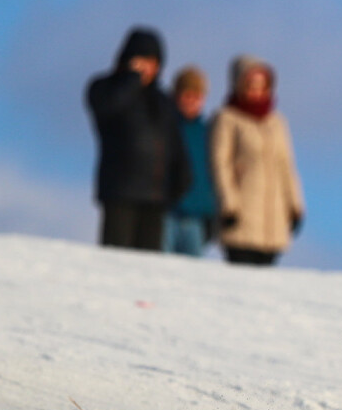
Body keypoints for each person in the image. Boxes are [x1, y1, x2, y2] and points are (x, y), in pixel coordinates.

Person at [84, 26, 190, 250]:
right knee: (116, 260)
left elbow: (175, 144)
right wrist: (131, 79)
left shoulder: (162, 101)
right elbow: (107, 109)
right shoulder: (104, 87)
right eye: (141, 59)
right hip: (120, 192)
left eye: (152, 62)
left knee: (148, 268)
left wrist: (181, 179)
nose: (147, 68)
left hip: (156, 197)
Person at [211, 55, 305, 266]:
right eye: (251, 85)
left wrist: (295, 206)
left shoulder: (276, 123)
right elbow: (220, 164)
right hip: (241, 216)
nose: (257, 91)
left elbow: (286, 166)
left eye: (262, 86)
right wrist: (229, 205)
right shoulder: (227, 118)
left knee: (265, 284)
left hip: (273, 220)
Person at [164, 66, 218, 256]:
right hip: (167, 214)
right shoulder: (166, 126)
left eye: (197, 96)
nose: (191, 101)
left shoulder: (208, 133)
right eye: (187, 94)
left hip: (196, 218)